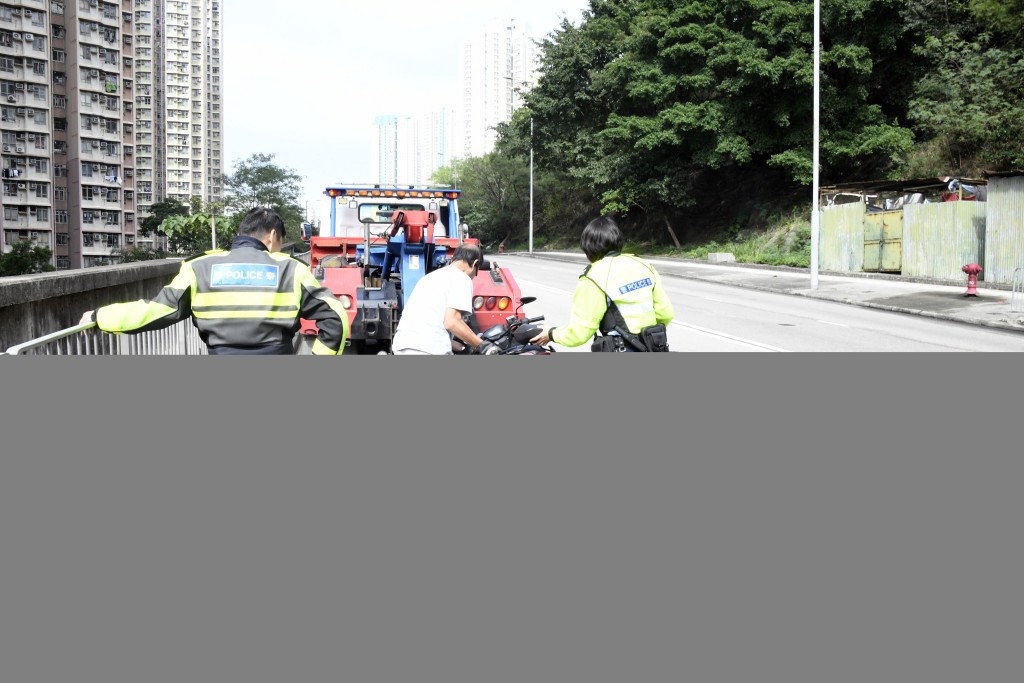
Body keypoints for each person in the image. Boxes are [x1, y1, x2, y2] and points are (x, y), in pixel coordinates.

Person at [79, 207, 349, 355]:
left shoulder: (200, 268)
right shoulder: (292, 269)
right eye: (278, 242)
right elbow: (335, 317)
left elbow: (156, 310)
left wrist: (100, 317)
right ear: (271, 236)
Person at [530, 216, 674, 352]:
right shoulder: (643, 265)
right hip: (654, 346)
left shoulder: (593, 276)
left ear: (588, 248)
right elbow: (666, 314)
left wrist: (551, 334)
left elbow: (580, 333)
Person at [390, 243, 500, 355]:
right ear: (475, 263)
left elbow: (429, 326)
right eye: (476, 272)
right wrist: (482, 345)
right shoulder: (462, 278)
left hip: (402, 346)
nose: (474, 276)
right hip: (427, 351)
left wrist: (464, 345)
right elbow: (452, 322)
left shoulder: (429, 278)